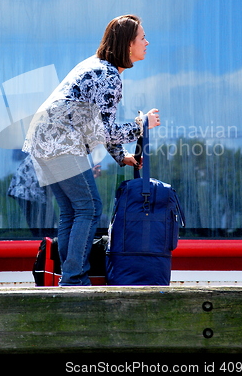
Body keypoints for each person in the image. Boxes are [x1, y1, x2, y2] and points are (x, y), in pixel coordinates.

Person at [22, 14, 161, 285]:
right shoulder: (108, 76)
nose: (147, 42)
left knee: (72, 210)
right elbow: (105, 131)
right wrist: (142, 125)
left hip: (42, 138)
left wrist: (122, 156)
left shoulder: (98, 67)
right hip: (61, 140)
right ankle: (74, 281)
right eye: (142, 37)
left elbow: (98, 124)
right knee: (89, 206)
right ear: (127, 44)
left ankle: (68, 278)